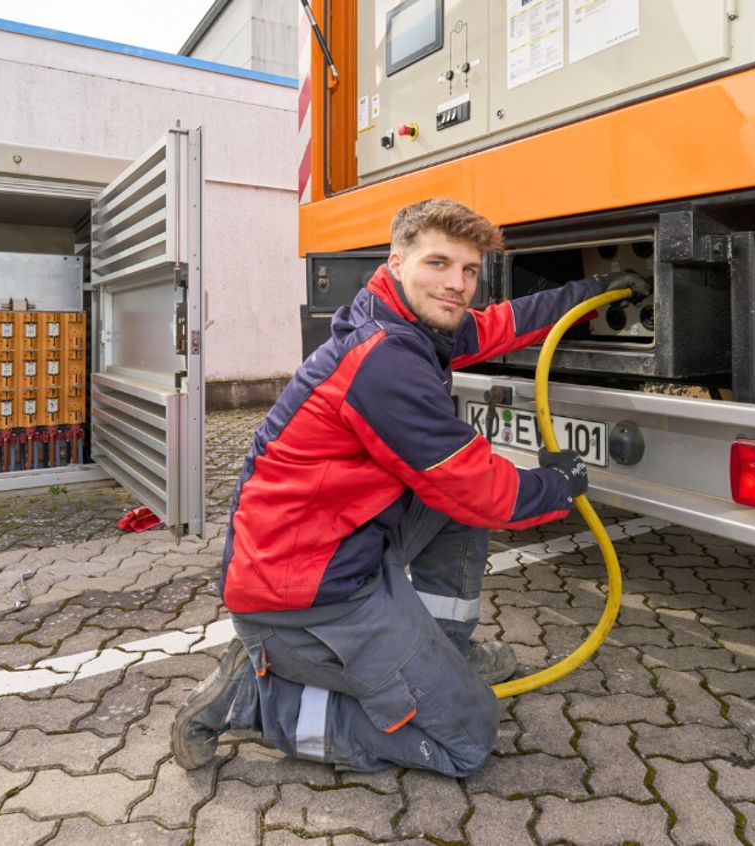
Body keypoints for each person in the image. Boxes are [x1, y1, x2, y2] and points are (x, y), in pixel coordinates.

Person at [172, 198, 648, 776]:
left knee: (452, 499)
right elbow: (480, 489)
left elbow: (498, 325)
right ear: (397, 263)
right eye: (438, 264)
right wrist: (557, 486)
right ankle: (259, 699)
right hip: (304, 594)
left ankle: (445, 648)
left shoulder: (404, 322)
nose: (457, 285)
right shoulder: (384, 362)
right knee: (467, 741)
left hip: (335, 548)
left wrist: (588, 293)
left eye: (469, 271)